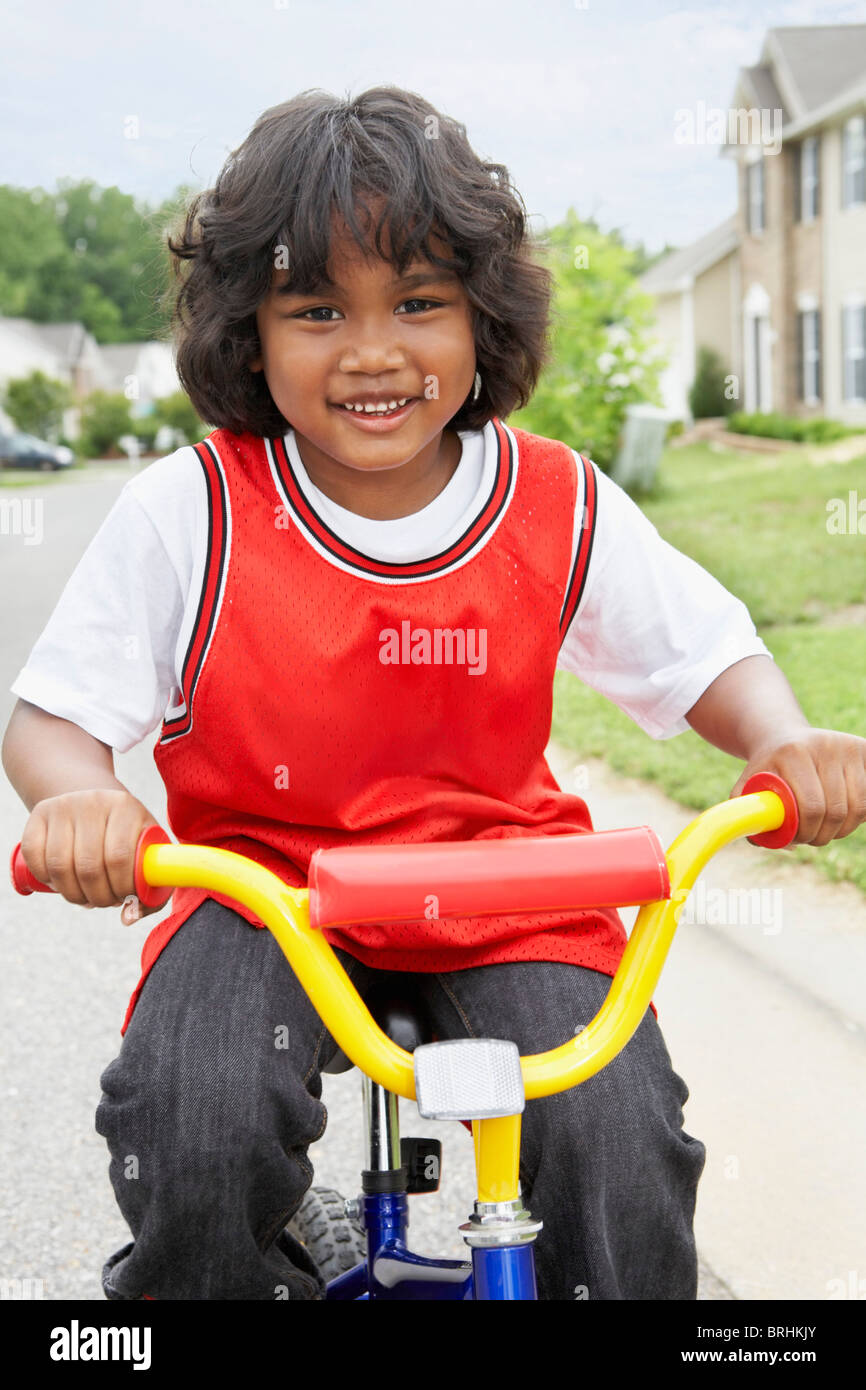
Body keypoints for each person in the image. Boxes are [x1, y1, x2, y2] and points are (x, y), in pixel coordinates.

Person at [3, 86, 865, 1303]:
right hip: (265, 890)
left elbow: (701, 653)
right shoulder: (191, 509)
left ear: (482, 319)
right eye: (317, 309)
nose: (371, 350)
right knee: (190, 1115)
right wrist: (81, 798)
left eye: (419, 302)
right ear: (249, 332)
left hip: (506, 886)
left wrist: (782, 737)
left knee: (613, 1136)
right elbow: (53, 718)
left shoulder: (553, 499)